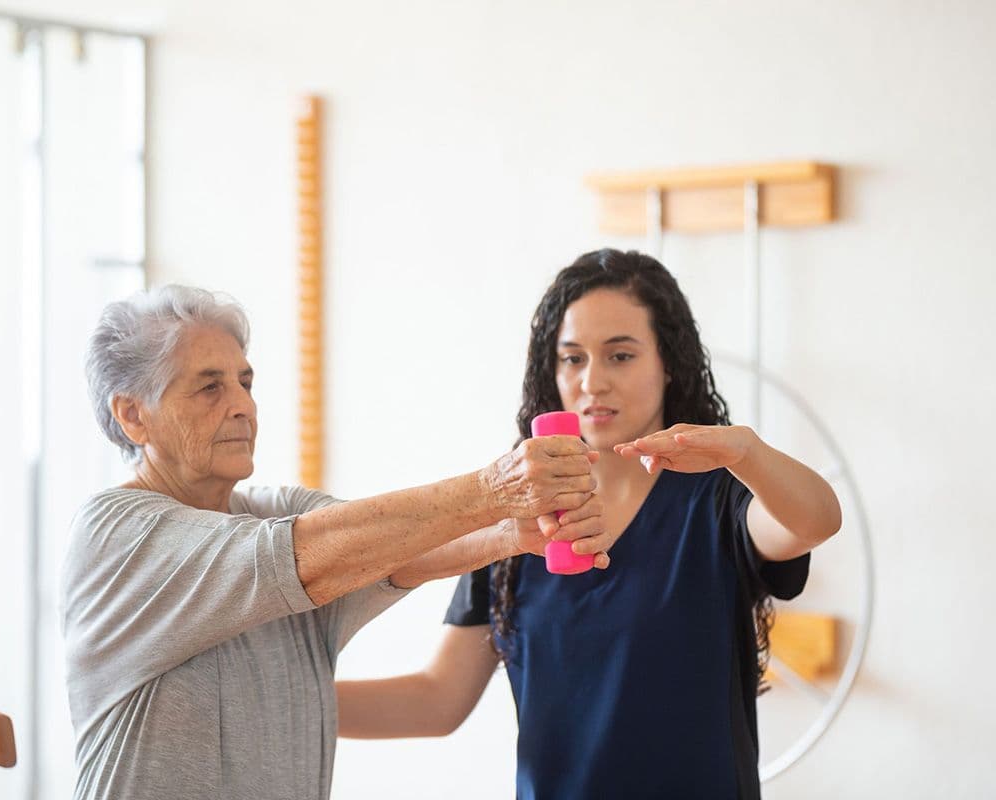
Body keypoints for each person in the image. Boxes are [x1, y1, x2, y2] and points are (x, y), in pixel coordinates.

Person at [60, 284, 607, 800]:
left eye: (245, 383)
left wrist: (511, 532)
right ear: (133, 415)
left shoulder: (279, 512)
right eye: (210, 387)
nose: (243, 407)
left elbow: (388, 552)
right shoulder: (114, 534)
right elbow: (302, 558)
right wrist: (494, 490)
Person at [336, 249, 842, 800]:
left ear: (668, 362)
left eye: (620, 356)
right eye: (573, 359)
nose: (592, 382)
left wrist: (745, 450)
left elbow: (815, 520)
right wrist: (283, 696)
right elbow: (437, 699)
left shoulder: (718, 502)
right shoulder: (518, 522)